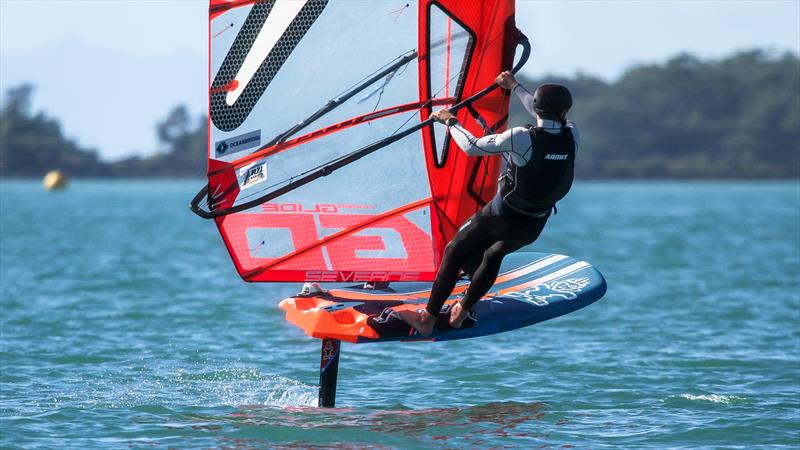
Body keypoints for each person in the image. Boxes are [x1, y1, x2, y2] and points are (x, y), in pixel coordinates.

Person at [398, 71, 580, 336]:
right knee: (494, 254)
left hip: (501, 216)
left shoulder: (521, 137)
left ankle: (427, 317)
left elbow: (471, 146)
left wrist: (450, 121)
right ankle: (461, 311)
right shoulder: (573, 134)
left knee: (455, 251)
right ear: (566, 109)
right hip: (534, 225)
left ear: (538, 108)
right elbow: (542, 113)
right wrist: (515, 86)